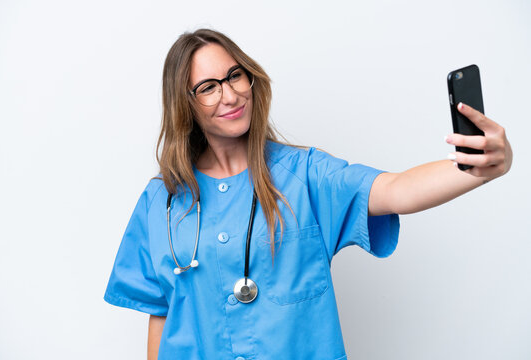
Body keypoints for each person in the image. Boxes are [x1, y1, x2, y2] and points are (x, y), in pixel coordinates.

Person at [104, 29, 512, 360]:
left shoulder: (304, 174)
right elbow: (160, 313)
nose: (229, 95)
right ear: (185, 104)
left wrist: (476, 169)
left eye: (234, 76)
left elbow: (395, 189)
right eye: (208, 87)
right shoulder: (163, 200)